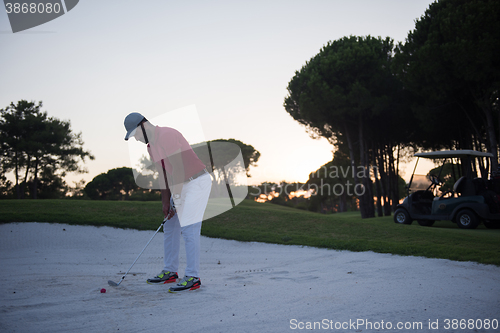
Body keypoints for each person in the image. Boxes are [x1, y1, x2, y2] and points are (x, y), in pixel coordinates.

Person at [124, 112, 212, 292]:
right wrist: (166, 202)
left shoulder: (167, 135)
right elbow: (163, 175)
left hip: (197, 182)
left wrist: (177, 197)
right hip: (181, 183)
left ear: (143, 125)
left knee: (189, 227)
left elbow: (178, 167)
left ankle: (193, 276)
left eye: (136, 134)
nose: (136, 139)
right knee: (170, 225)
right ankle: (170, 271)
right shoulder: (151, 147)